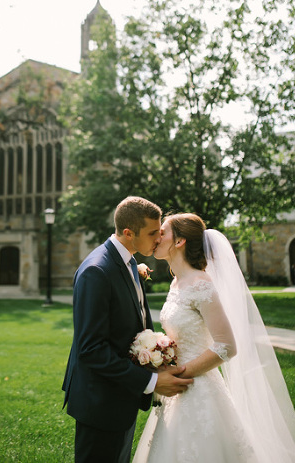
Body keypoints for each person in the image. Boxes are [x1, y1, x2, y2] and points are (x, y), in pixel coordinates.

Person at [132, 213, 295, 463]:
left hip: (199, 388)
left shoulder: (201, 285)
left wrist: (179, 373)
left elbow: (227, 346)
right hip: (177, 390)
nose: (157, 236)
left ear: (180, 242)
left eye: (163, 232)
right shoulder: (176, 283)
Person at [63, 196, 194, 463]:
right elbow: (91, 350)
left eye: (160, 232)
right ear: (128, 233)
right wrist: (152, 381)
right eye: (152, 233)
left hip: (120, 396)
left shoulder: (130, 262)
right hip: (99, 401)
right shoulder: (96, 271)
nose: (158, 239)